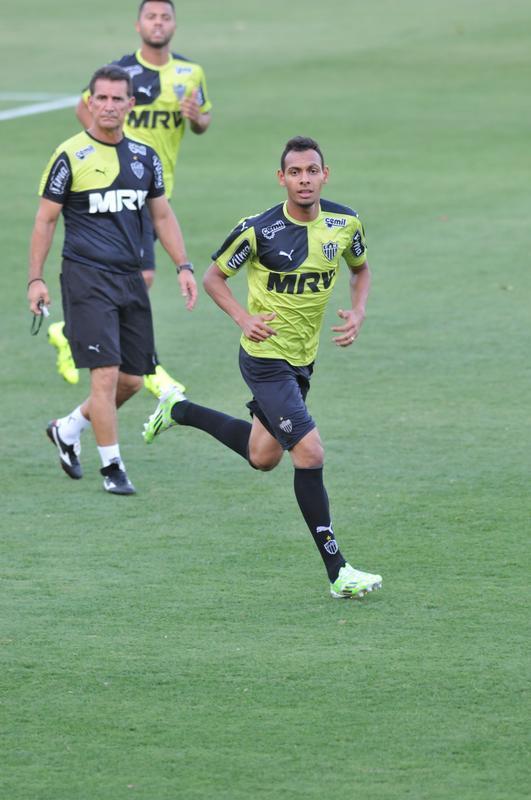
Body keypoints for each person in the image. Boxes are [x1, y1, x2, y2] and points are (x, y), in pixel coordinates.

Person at [142, 136, 382, 598]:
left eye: (312, 170)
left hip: (302, 361)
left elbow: (361, 270)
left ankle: (178, 409)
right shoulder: (259, 231)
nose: (305, 179)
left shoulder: (344, 223)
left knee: (262, 456)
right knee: (310, 452)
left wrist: (359, 310)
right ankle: (339, 572)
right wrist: (243, 318)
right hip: (265, 359)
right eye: (295, 172)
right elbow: (214, 278)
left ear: (324, 174)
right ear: (282, 178)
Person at [27, 65, 197, 495]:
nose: (107, 106)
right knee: (104, 376)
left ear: (130, 105)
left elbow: (161, 214)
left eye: (116, 99)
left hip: (129, 279)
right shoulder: (70, 156)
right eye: (99, 98)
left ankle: (68, 429)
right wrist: (35, 279)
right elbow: (45, 221)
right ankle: (112, 467)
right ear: (90, 102)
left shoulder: (144, 158)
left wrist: (183, 265)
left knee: (133, 381)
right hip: (86, 278)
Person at [48, 0, 212, 396]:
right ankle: (147, 366)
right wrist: (104, 152)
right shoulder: (122, 74)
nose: (158, 23)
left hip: (158, 189)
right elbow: (82, 109)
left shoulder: (190, 73)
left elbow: (204, 120)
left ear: (174, 24)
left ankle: (72, 332)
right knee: (143, 275)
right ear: (138, 25)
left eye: (165, 17)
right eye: (151, 17)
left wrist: (195, 117)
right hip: (121, 190)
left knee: (141, 275)